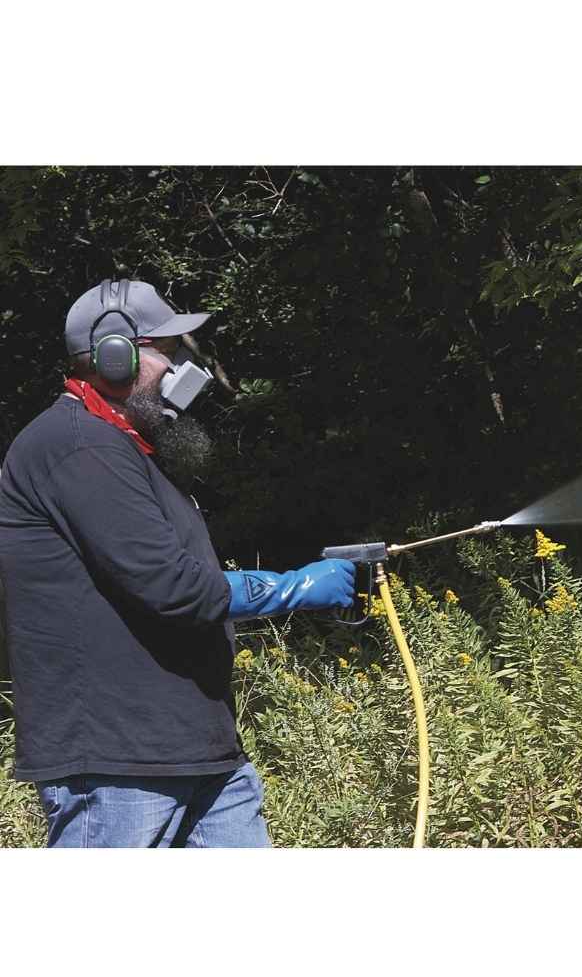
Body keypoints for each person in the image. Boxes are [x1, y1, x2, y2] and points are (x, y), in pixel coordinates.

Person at [0, 278, 356, 848]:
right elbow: (174, 587)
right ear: (113, 356)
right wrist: (290, 589)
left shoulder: (126, 447)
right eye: (167, 351)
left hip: (198, 752)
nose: (178, 368)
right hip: (120, 764)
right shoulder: (76, 446)